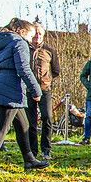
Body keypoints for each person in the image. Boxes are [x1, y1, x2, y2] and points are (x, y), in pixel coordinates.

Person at [0, 19, 48, 171]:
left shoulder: (3, 42)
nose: (32, 39)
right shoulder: (19, 43)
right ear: (23, 31)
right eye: (31, 35)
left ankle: (29, 159)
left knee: (23, 125)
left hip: (3, 86)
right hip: (11, 89)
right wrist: (36, 90)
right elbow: (24, 69)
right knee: (1, 129)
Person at [27, 22, 60, 160]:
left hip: (45, 89)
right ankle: (32, 152)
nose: (37, 36)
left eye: (40, 33)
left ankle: (46, 149)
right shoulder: (24, 48)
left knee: (47, 117)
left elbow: (56, 70)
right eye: (35, 34)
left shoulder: (50, 50)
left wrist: (46, 79)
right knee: (30, 121)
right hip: (28, 90)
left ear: (43, 35)